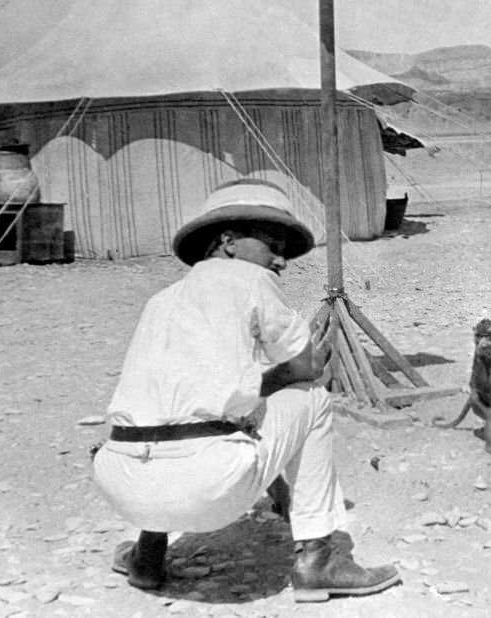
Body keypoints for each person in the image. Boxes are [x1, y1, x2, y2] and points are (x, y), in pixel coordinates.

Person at [92, 178, 400, 600]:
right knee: (313, 399)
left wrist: (256, 384)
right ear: (228, 242)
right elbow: (306, 367)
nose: (281, 261)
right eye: (272, 245)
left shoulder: (160, 301)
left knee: (165, 410)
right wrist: (287, 374)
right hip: (204, 487)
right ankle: (318, 559)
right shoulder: (249, 281)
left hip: (121, 483)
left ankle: (147, 556)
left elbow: (193, 390)